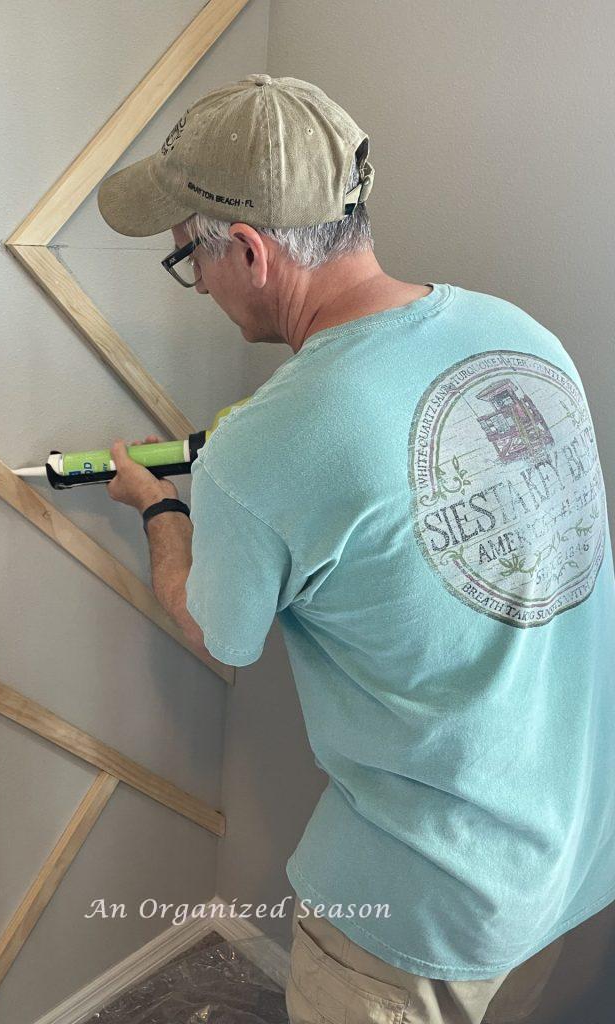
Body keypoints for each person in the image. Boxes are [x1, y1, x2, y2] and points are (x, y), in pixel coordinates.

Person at [95, 74, 615, 1024]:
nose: (197, 285)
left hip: (421, 906)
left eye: (187, 260)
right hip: (578, 849)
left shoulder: (266, 447)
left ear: (247, 251)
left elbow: (221, 636)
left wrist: (159, 510)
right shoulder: (517, 334)